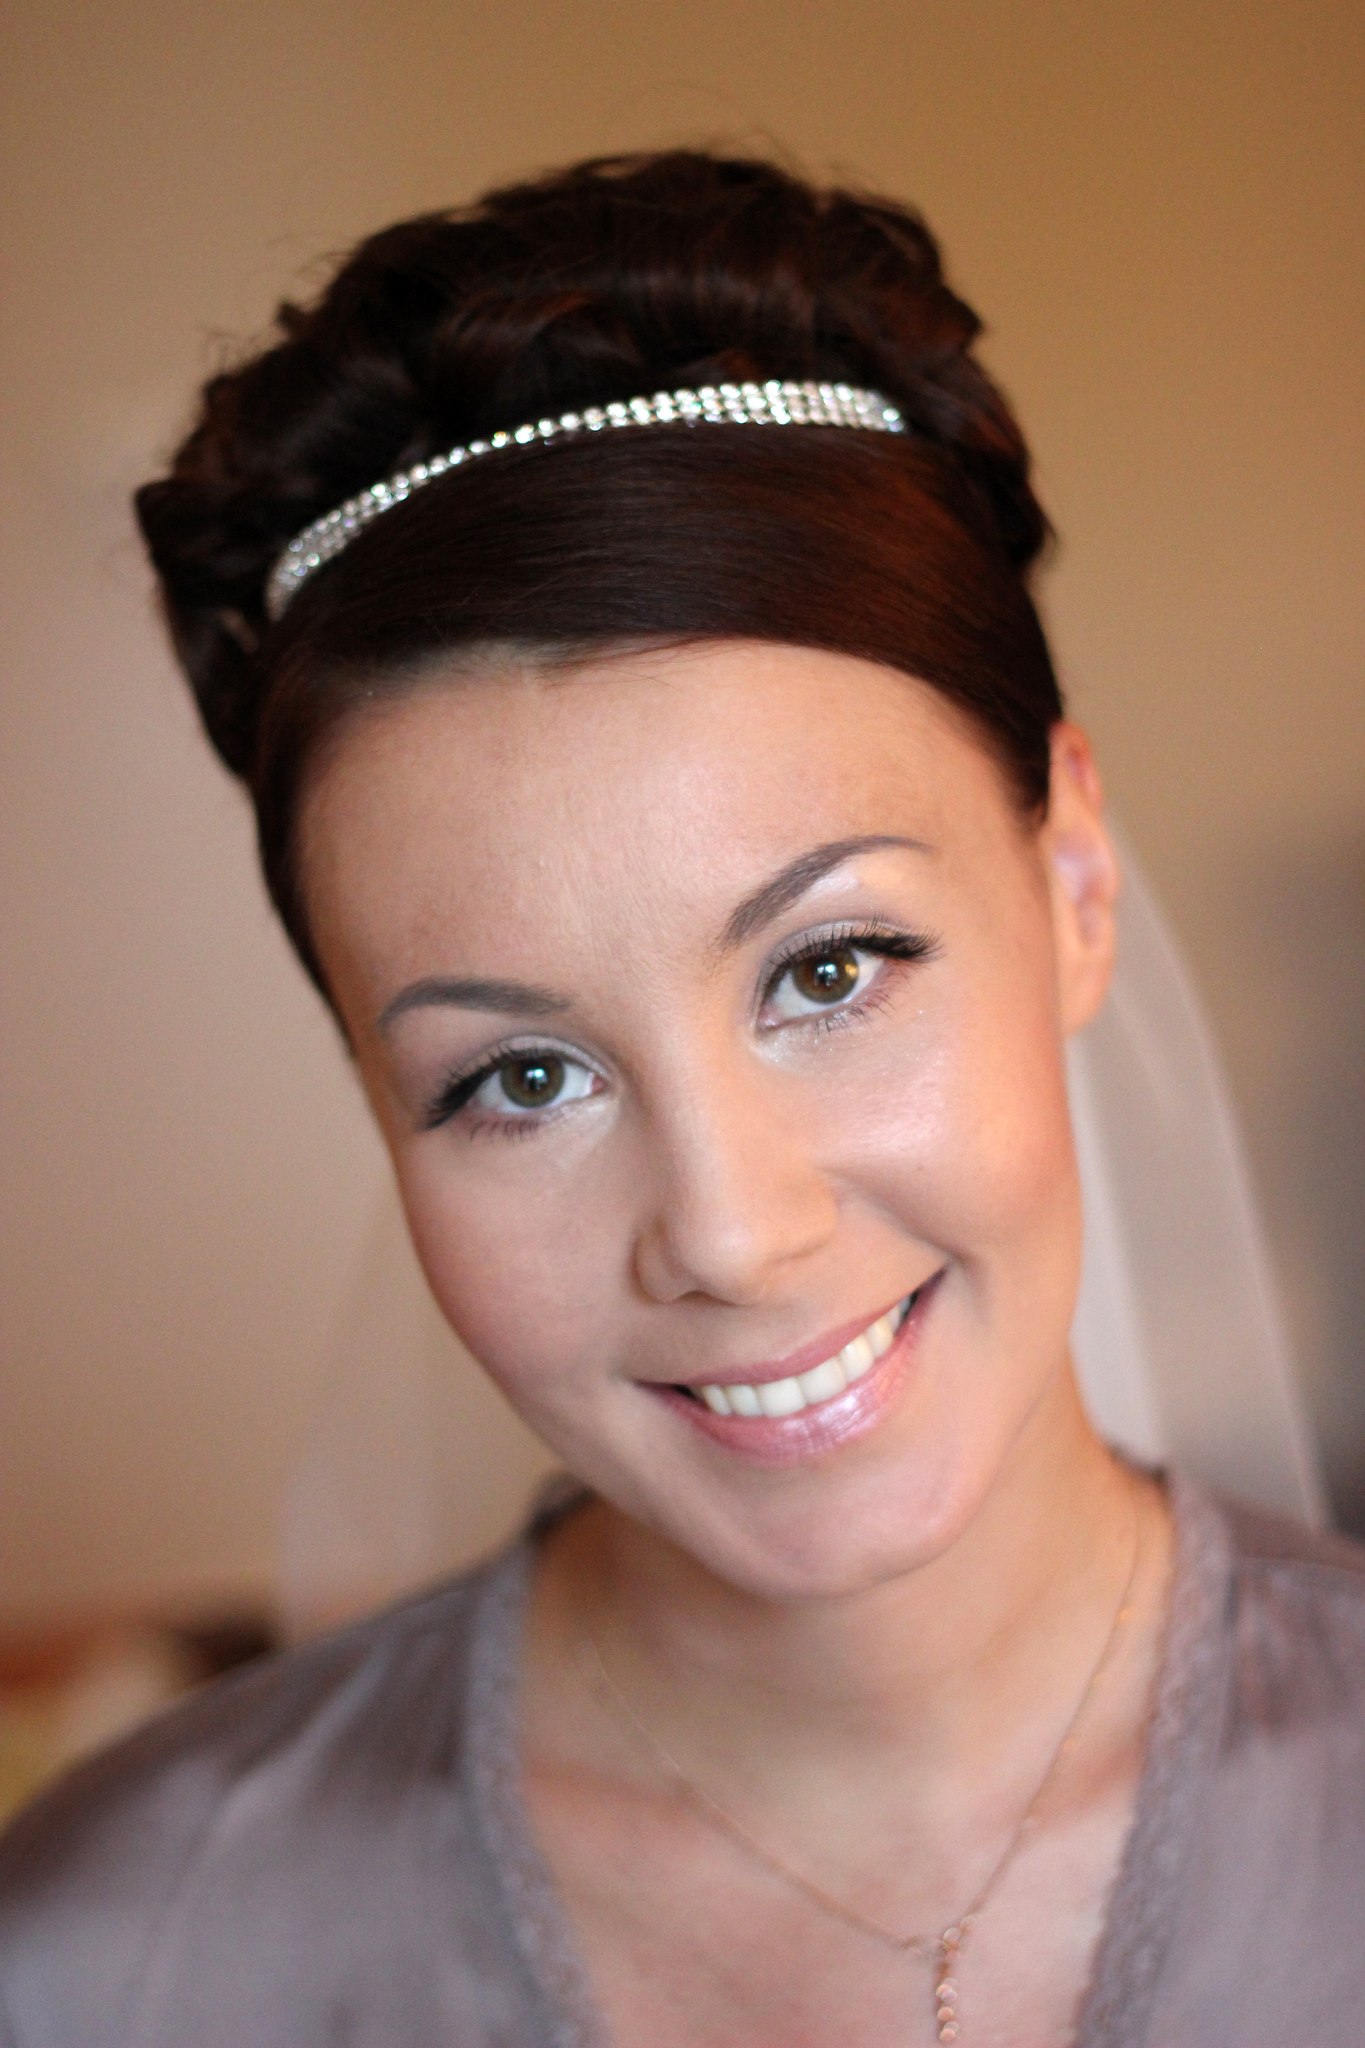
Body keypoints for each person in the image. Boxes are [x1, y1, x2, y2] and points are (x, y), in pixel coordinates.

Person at [1, 150, 1362, 2048]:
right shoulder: (107, 1959)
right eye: (522, 1077)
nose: (729, 1233)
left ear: (1070, 885)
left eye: (829, 969)